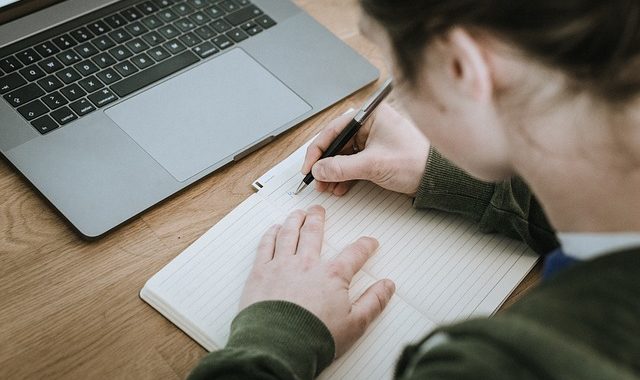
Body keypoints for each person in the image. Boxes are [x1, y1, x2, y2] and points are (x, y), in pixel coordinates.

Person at [189, 0, 640, 378]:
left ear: (462, 68)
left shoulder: (488, 367)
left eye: (393, 68)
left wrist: (277, 339)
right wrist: (459, 172)